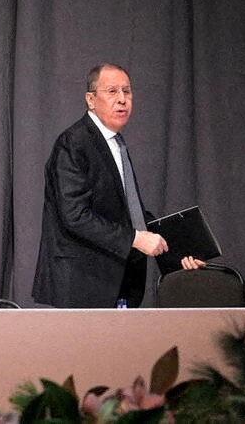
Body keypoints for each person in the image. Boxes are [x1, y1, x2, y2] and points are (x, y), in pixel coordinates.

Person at [31, 63, 204, 308]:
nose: (122, 99)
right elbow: (75, 216)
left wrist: (178, 250)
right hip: (84, 284)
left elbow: (130, 213)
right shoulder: (73, 143)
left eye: (127, 91)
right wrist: (135, 239)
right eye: (112, 91)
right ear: (91, 100)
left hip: (121, 281)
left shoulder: (115, 142)